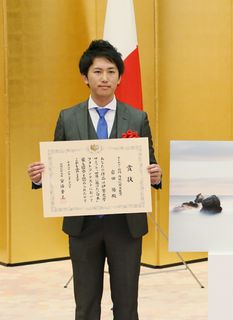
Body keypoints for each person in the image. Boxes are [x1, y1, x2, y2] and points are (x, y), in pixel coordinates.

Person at [27, 40, 162, 320]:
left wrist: (155, 175)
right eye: (97, 71)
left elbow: (149, 162)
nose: (105, 78)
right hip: (83, 225)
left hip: (125, 225)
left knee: (127, 306)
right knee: (86, 305)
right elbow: (58, 168)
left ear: (120, 77)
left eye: (111, 71)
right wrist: (41, 178)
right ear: (85, 77)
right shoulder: (68, 117)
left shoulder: (137, 118)